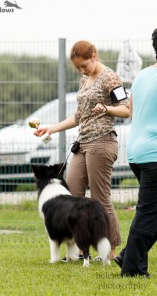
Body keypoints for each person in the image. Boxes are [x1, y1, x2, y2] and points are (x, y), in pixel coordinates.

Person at [34, 40, 129, 260]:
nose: (82, 71)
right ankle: (78, 250)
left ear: (94, 56)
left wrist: (106, 108)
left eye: (84, 65)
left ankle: (112, 251)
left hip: (102, 142)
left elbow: (126, 110)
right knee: (72, 195)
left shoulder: (111, 78)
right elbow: (79, 116)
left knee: (100, 198)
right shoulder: (85, 79)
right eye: (77, 68)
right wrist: (52, 128)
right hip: (82, 143)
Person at [114, 28, 157, 277]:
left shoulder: (142, 76)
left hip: (137, 152)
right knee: (149, 212)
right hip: (154, 156)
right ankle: (132, 268)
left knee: (153, 211)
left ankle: (127, 255)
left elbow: (131, 111)